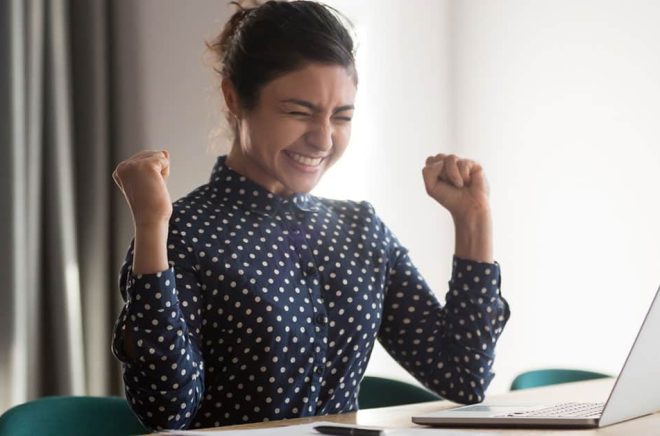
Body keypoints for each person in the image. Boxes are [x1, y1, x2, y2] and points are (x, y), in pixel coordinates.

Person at [111, 0, 510, 431]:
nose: (323, 139)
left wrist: (474, 220)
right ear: (234, 98)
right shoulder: (183, 233)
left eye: (341, 117)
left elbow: (463, 376)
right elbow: (166, 411)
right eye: (298, 112)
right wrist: (152, 226)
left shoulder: (361, 231)